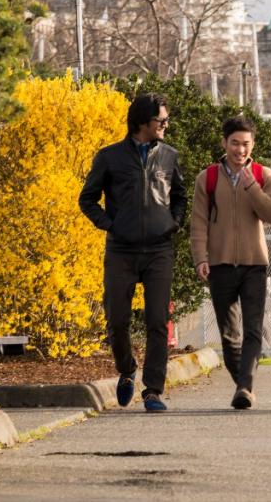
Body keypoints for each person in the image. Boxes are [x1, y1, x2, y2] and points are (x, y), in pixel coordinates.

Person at [79, 92, 187, 412]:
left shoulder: (169, 156)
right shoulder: (109, 157)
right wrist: (110, 224)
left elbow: (179, 196)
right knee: (117, 319)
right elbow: (87, 199)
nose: (166, 125)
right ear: (142, 122)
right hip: (121, 251)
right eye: (161, 120)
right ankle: (127, 370)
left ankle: (153, 391)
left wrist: (174, 223)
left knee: (157, 321)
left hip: (159, 250)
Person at [190, 116, 271, 410]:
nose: (240, 150)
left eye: (245, 144)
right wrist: (201, 258)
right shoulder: (208, 178)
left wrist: (251, 186)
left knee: (253, 328)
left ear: (252, 144)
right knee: (229, 333)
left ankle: (245, 387)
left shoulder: (263, 174)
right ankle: (242, 383)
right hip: (219, 265)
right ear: (224, 143)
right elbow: (199, 222)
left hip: (254, 264)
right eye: (234, 143)